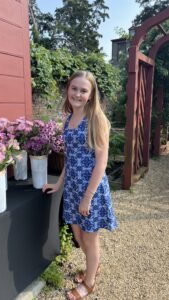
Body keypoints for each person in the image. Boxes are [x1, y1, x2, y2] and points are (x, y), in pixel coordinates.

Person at [42, 70, 117, 299]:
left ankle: (90, 280)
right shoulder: (67, 119)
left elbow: (101, 163)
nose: (77, 93)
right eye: (74, 88)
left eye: (83, 90)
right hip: (73, 188)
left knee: (89, 237)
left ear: (91, 94)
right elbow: (71, 158)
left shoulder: (97, 120)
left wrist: (87, 197)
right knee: (77, 233)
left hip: (90, 191)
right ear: (68, 90)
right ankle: (94, 266)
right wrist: (58, 185)